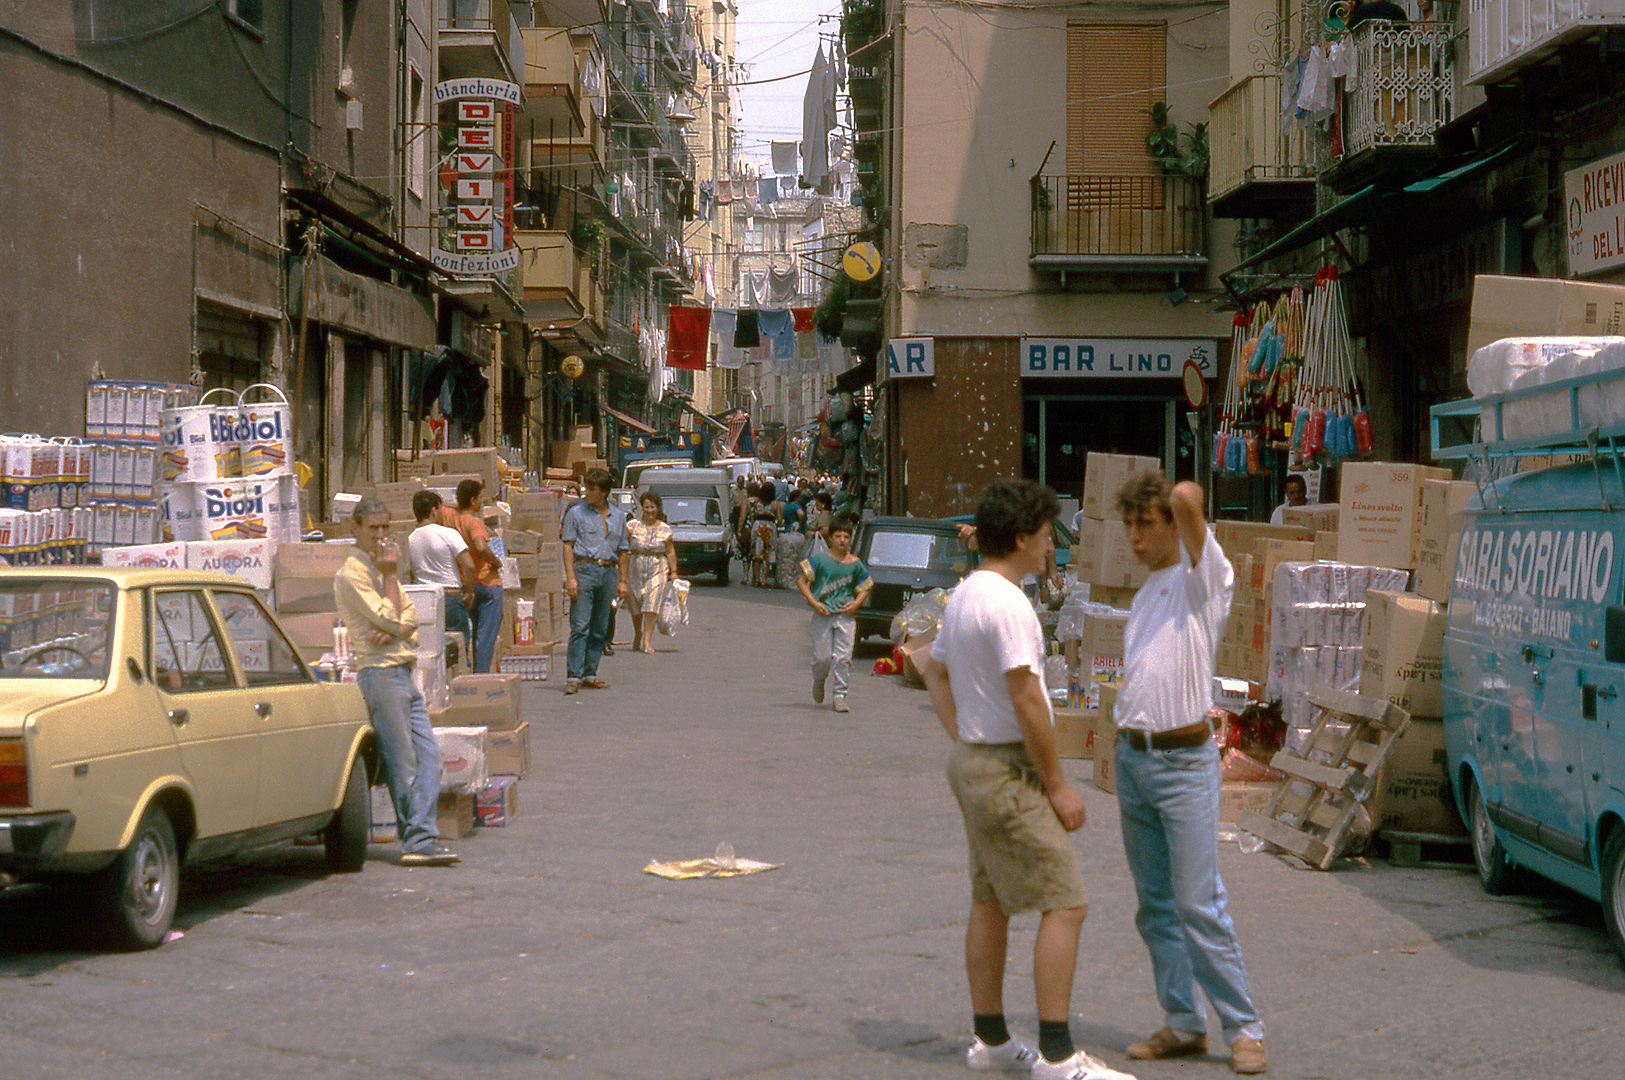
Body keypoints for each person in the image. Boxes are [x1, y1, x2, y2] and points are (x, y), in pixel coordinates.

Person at [918, 479, 1131, 1080]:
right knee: (1066, 903)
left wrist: (966, 739)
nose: (1050, 550)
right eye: (1044, 538)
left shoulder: (964, 595)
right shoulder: (1009, 604)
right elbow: (1030, 700)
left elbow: (931, 670)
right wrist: (1059, 784)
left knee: (989, 900)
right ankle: (1059, 1056)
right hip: (1005, 769)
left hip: (975, 763)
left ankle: (990, 1040)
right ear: (1020, 538)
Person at [1113, 471, 1266, 1075]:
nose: (1134, 536)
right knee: (1154, 905)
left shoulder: (1204, 581)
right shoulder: (1148, 591)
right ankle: (1182, 1022)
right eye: (1128, 525)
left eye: (1144, 524)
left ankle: (1244, 1027)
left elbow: (1188, 501)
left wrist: (1177, 503)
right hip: (1135, 760)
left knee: (1198, 901)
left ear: (1173, 526)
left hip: (1183, 763)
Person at [333, 498, 458, 867]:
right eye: (373, 528)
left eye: (386, 527)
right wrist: (390, 581)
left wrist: (395, 628)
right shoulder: (352, 574)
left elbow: (410, 620)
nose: (382, 535)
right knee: (402, 763)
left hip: (404, 670)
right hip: (380, 676)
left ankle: (420, 835)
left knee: (431, 760)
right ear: (354, 529)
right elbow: (391, 615)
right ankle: (418, 839)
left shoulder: (380, 567)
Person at [561, 467, 629, 694]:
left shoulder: (618, 517)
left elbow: (623, 551)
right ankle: (573, 676)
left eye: (591, 489)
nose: (586, 493)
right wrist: (570, 578)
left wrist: (623, 581)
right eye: (586, 488)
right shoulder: (576, 513)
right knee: (580, 625)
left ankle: (590, 673)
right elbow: (568, 546)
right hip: (584, 571)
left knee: (600, 627)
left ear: (604, 493)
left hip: (608, 573)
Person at [796, 512, 871, 714]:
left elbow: (865, 587)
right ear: (830, 537)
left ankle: (839, 695)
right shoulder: (819, 559)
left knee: (843, 657)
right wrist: (814, 602)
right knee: (822, 657)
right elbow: (801, 581)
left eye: (846, 537)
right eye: (838, 536)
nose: (842, 540)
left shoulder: (855, 563)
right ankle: (819, 680)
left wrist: (855, 604)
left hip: (845, 615)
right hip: (823, 614)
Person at [406, 490, 476, 664]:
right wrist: (470, 591)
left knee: (429, 651)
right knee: (457, 650)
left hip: (423, 598)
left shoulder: (409, 539)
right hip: (450, 597)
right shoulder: (448, 533)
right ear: (433, 510)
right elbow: (469, 565)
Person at [444, 479, 503, 673]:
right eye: (479, 499)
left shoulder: (450, 518)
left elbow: (442, 506)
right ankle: (481, 675)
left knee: (468, 633)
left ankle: (464, 672)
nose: (481, 503)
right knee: (485, 637)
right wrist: (495, 561)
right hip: (487, 582)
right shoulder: (475, 522)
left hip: (466, 583)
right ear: (472, 500)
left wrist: (458, 505)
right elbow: (480, 546)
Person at [626, 490, 679, 654]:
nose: (649, 510)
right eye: (647, 507)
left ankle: (647, 640)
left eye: (653, 507)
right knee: (635, 604)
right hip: (635, 567)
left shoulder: (665, 529)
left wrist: (674, 572)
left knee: (652, 603)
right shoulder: (632, 526)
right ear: (642, 508)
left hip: (657, 568)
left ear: (658, 508)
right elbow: (623, 548)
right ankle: (637, 633)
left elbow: (670, 551)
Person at [750, 482, 780, 588]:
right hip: (770, 528)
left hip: (758, 527)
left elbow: (753, 514)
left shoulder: (757, 502)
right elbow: (779, 519)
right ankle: (764, 580)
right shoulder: (776, 504)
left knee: (757, 554)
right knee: (767, 554)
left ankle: (756, 580)